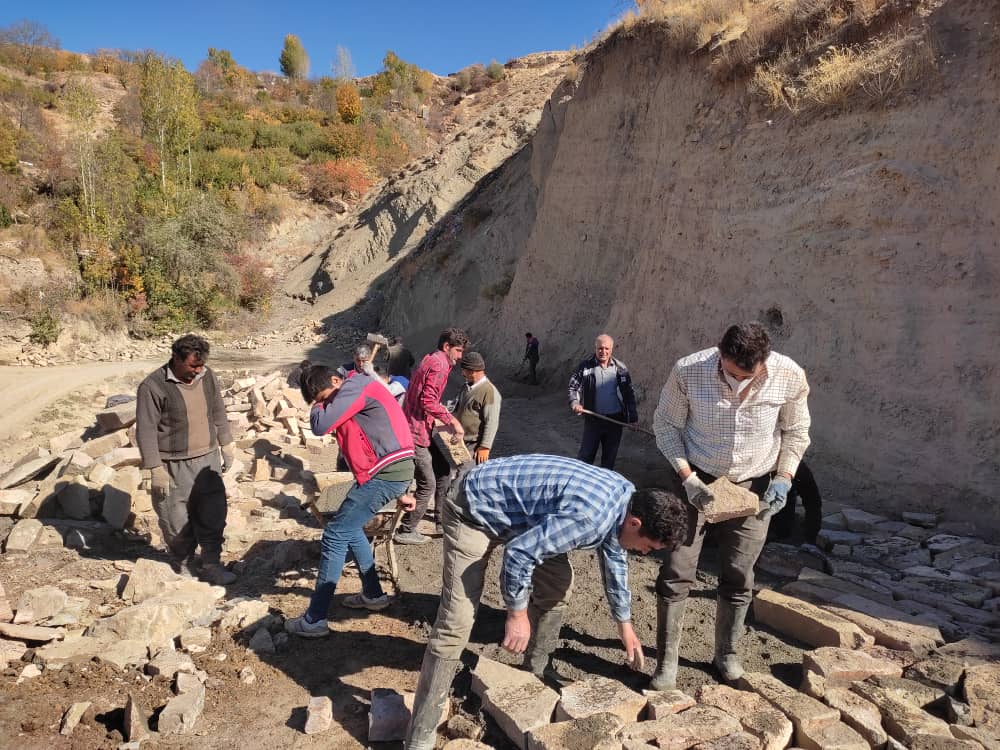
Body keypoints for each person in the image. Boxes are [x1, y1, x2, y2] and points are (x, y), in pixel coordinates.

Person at [405, 454, 689, 750]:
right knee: (456, 622)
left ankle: (535, 671)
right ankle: (420, 736)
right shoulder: (589, 519)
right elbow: (518, 554)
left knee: (557, 586)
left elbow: (615, 555)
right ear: (635, 522)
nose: (644, 554)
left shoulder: (627, 500)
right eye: (648, 547)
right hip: (474, 509)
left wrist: (624, 623)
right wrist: (516, 615)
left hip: (523, 515)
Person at [650, 322, 811, 689]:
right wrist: (687, 477)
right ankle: (667, 662)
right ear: (720, 354)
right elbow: (665, 425)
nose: (739, 383)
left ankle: (727, 654)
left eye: (748, 377)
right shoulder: (688, 371)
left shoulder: (788, 375)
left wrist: (784, 478)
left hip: (752, 486)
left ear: (764, 362)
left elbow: (796, 431)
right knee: (677, 568)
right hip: (697, 479)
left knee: (740, 574)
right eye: (732, 373)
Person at [284, 363, 416, 637]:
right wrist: (401, 489)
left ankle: (314, 620)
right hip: (388, 471)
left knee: (335, 533)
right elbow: (378, 433)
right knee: (350, 527)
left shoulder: (355, 386)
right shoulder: (355, 387)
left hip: (387, 473)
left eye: (325, 398)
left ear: (336, 379)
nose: (328, 404)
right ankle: (373, 595)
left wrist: (317, 406)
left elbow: (320, 425)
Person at [135, 334, 237, 585]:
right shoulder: (153, 386)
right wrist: (154, 467)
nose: (198, 370)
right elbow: (146, 429)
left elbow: (217, 410)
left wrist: (227, 442)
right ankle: (185, 565)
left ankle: (212, 563)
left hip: (207, 460)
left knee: (213, 514)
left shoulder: (207, 376)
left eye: (201, 365)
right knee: (175, 519)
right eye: (193, 365)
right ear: (176, 359)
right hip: (172, 465)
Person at [397, 327, 469, 545]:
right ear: (447, 347)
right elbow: (428, 401)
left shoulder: (432, 359)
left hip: (418, 426)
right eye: (458, 351)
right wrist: (452, 420)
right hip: (415, 432)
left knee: (441, 472)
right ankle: (407, 528)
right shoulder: (439, 365)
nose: (460, 356)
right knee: (427, 483)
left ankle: (439, 520)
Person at [568, 334, 638, 470]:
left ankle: (605, 487)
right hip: (593, 420)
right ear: (595, 348)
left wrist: (633, 419)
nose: (603, 352)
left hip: (614, 422)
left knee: (609, 460)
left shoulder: (621, 369)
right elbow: (573, 386)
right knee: (585, 458)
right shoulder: (586, 367)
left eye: (606, 348)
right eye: (600, 348)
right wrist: (575, 403)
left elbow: (629, 395)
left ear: (611, 349)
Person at [768, 461, 822, 544]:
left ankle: (808, 536)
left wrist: (811, 535)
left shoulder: (797, 467)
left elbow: (813, 501)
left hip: (788, 468)